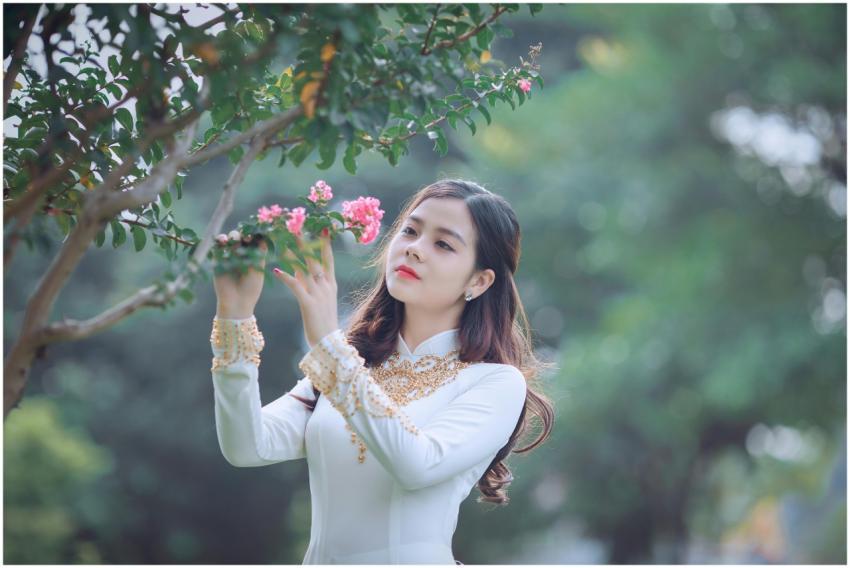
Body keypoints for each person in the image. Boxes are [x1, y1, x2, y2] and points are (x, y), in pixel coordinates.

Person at [210, 179, 554, 564]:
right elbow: (247, 445)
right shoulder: (351, 365)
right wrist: (235, 316)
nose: (414, 248)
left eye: (443, 244)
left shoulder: (493, 383)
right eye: (410, 230)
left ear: (478, 280)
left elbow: (416, 465)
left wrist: (328, 343)